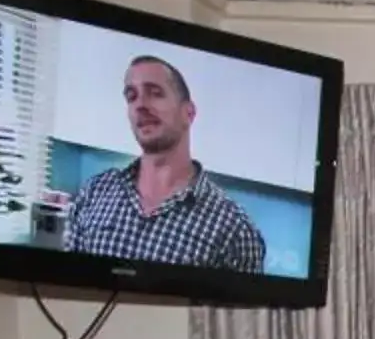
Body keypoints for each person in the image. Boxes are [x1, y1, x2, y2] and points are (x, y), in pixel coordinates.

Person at [63, 54, 267, 271]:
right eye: (131, 97)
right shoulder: (94, 194)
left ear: (188, 113)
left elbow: (237, 306)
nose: (140, 105)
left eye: (155, 93)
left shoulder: (234, 230)